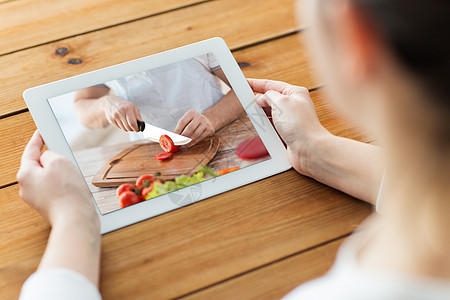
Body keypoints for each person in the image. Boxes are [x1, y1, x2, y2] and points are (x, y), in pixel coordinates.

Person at [17, 0, 450, 299]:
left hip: (217, 137)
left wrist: (74, 218)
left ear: (357, 35)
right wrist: (317, 148)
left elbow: (234, 90)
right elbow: (84, 105)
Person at [73, 54, 244, 146]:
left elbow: (246, 88)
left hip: (222, 137)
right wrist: (105, 104)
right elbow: (82, 109)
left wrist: (212, 119)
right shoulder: (95, 53)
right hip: (149, 153)